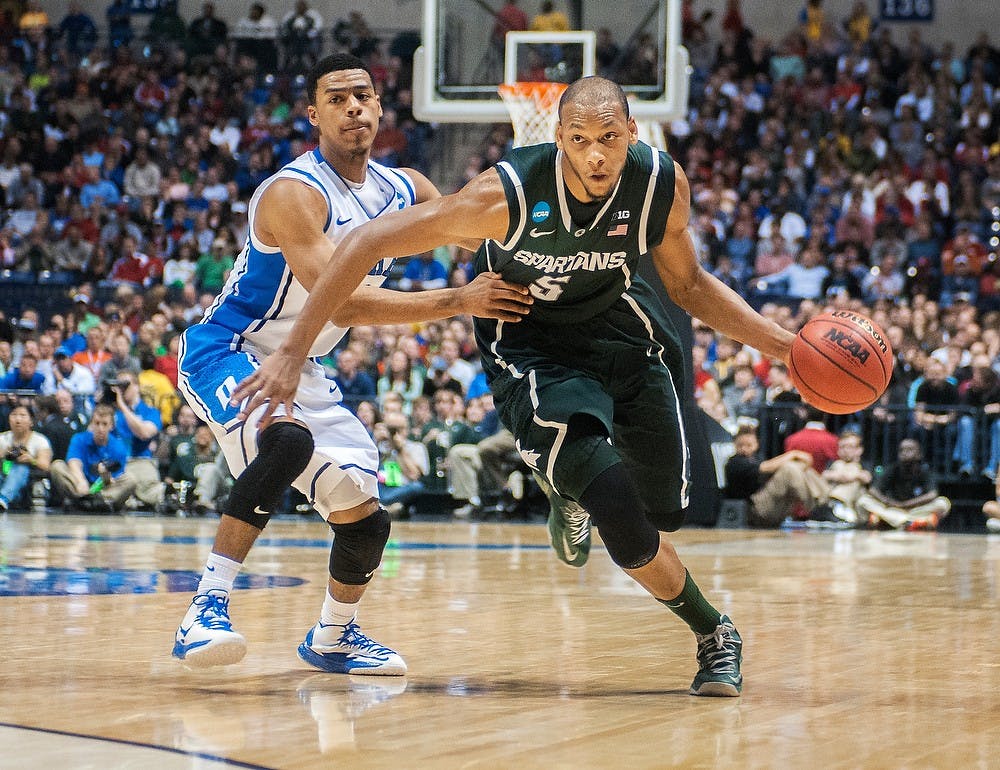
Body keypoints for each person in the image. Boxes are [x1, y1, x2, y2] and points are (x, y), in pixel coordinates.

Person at [232, 76, 799, 697]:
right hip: (531, 343)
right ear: (558, 139)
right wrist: (291, 350)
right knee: (618, 508)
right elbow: (367, 241)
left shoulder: (660, 184)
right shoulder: (504, 196)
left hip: (623, 334)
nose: (595, 155)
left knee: (662, 514)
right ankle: (715, 633)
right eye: (580, 140)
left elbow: (689, 286)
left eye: (609, 139)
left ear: (633, 135)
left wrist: (786, 348)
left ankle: (566, 486)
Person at [171, 53, 532, 672]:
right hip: (229, 350)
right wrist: (455, 299)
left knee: (365, 523)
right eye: (336, 100)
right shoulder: (293, 194)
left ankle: (334, 636)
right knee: (283, 443)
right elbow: (340, 297)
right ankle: (204, 609)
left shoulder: (407, 189)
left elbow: (478, 233)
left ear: (380, 107)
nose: (353, 107)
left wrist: (541, 196)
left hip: (302, 365)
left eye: (362, 96)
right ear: (315, 116)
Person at [724, 425, 830, 527]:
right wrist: (793, 454)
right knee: (788, 469)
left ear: (756, 444)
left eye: (749, 445)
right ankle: (817, 509)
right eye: (740, 445)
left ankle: (825, 504)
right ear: (734, 445)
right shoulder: (734, 462)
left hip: (773, 508)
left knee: (798, 466)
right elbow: (765, 467)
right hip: (754, 511)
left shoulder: (758, 458)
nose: (744, 449)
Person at [49, 404, 135, 511]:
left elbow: (115, 478)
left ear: (111, 426)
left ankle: (95, 502)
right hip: (80, 485)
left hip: (104, 489)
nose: (100, 428)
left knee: (130, 480)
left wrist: (105, 477)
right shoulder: (79, 439)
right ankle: (85, 500)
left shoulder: (118, 447)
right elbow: (74, 462)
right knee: (57, 466)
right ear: (92, 424)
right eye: (97, 423)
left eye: (104, 424)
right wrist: (81, 481)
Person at [855, 438, 952, 530]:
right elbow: (873, 490)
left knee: (943, 503)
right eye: (901, 450)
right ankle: (914, 523)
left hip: (916, 510)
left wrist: (906, 504)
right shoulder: (893, 469)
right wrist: (889, 502)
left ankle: (890, 522)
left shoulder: (924, 471)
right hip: (893, 509)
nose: (904, 453)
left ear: (919, 454)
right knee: (863, 500)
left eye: (909, 450)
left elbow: (932, 495)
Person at [0, 403, 52, 512]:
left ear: (31, 421)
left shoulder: (40, 440)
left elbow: (46, 466)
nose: (18, 420)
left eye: (23, 416)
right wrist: (4, 454)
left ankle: (3, 499)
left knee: (20, 468)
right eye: (14, 415)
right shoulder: (3, 438)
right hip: (3, 475)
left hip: (26, 484)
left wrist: (30, 460)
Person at [819, 429, 873, 526]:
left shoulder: (865, 465)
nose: (845, 450)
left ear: (859, 450)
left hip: (856, 507)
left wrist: (847, 475)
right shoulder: (833, 463)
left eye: (849, 447)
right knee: (839, 465)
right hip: (831, 502)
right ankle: (837, 506)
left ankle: (839, 504)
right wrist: (846, 476)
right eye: (842, 447)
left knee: (854, 469)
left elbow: (866, 478)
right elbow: (824, 475)